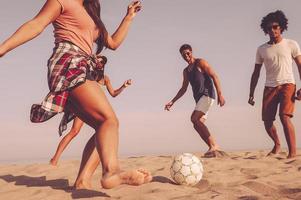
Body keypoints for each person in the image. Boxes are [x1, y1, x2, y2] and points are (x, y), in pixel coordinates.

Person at [0, 0, 152, 189]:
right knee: (109, 121)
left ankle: (82, 181)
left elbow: (113, 43)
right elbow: (37, 24)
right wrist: (3, 48)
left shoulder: (91, 15)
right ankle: (111, 172)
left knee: (103, 128)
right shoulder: (62, 1)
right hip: (68, 62)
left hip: (84, 66)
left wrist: (128, 17)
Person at [50, 55, 133, 166]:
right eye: (97, 60)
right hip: (84, 105)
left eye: (101, 62)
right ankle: (55, 159)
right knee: (74, 131)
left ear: (103, 65)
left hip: (95, 108)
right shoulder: (86, 74)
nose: (98, 63)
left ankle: (98, 161)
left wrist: (124, 86)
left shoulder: (105, 79)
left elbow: (113, 94)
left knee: (103, 128)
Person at [248, 10, 301, 158]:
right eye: (269, 27)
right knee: (267, 121)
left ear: (281, 27)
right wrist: (251, 93)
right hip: (269, 87)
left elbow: (300, 66)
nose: (273, 30)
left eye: (276, 26)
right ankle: (277, 144)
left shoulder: (291, 44)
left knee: (284, 117)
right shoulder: (261, 49)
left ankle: (292, 153)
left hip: (287, 84)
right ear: (265, 29)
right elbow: (256, 73)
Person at [165, 44, 226, 158]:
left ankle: (214, 145)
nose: (186, 56)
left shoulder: (200, 62)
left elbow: (214, 76)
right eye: (183, 55)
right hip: (199, 100)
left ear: (191, 52)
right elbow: (183, 88)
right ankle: (212, 149)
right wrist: (172, 101)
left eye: (188, 53)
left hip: (207, 95)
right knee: (197, 123)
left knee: (194, 118)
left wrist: (220, 94)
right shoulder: (186, 71)